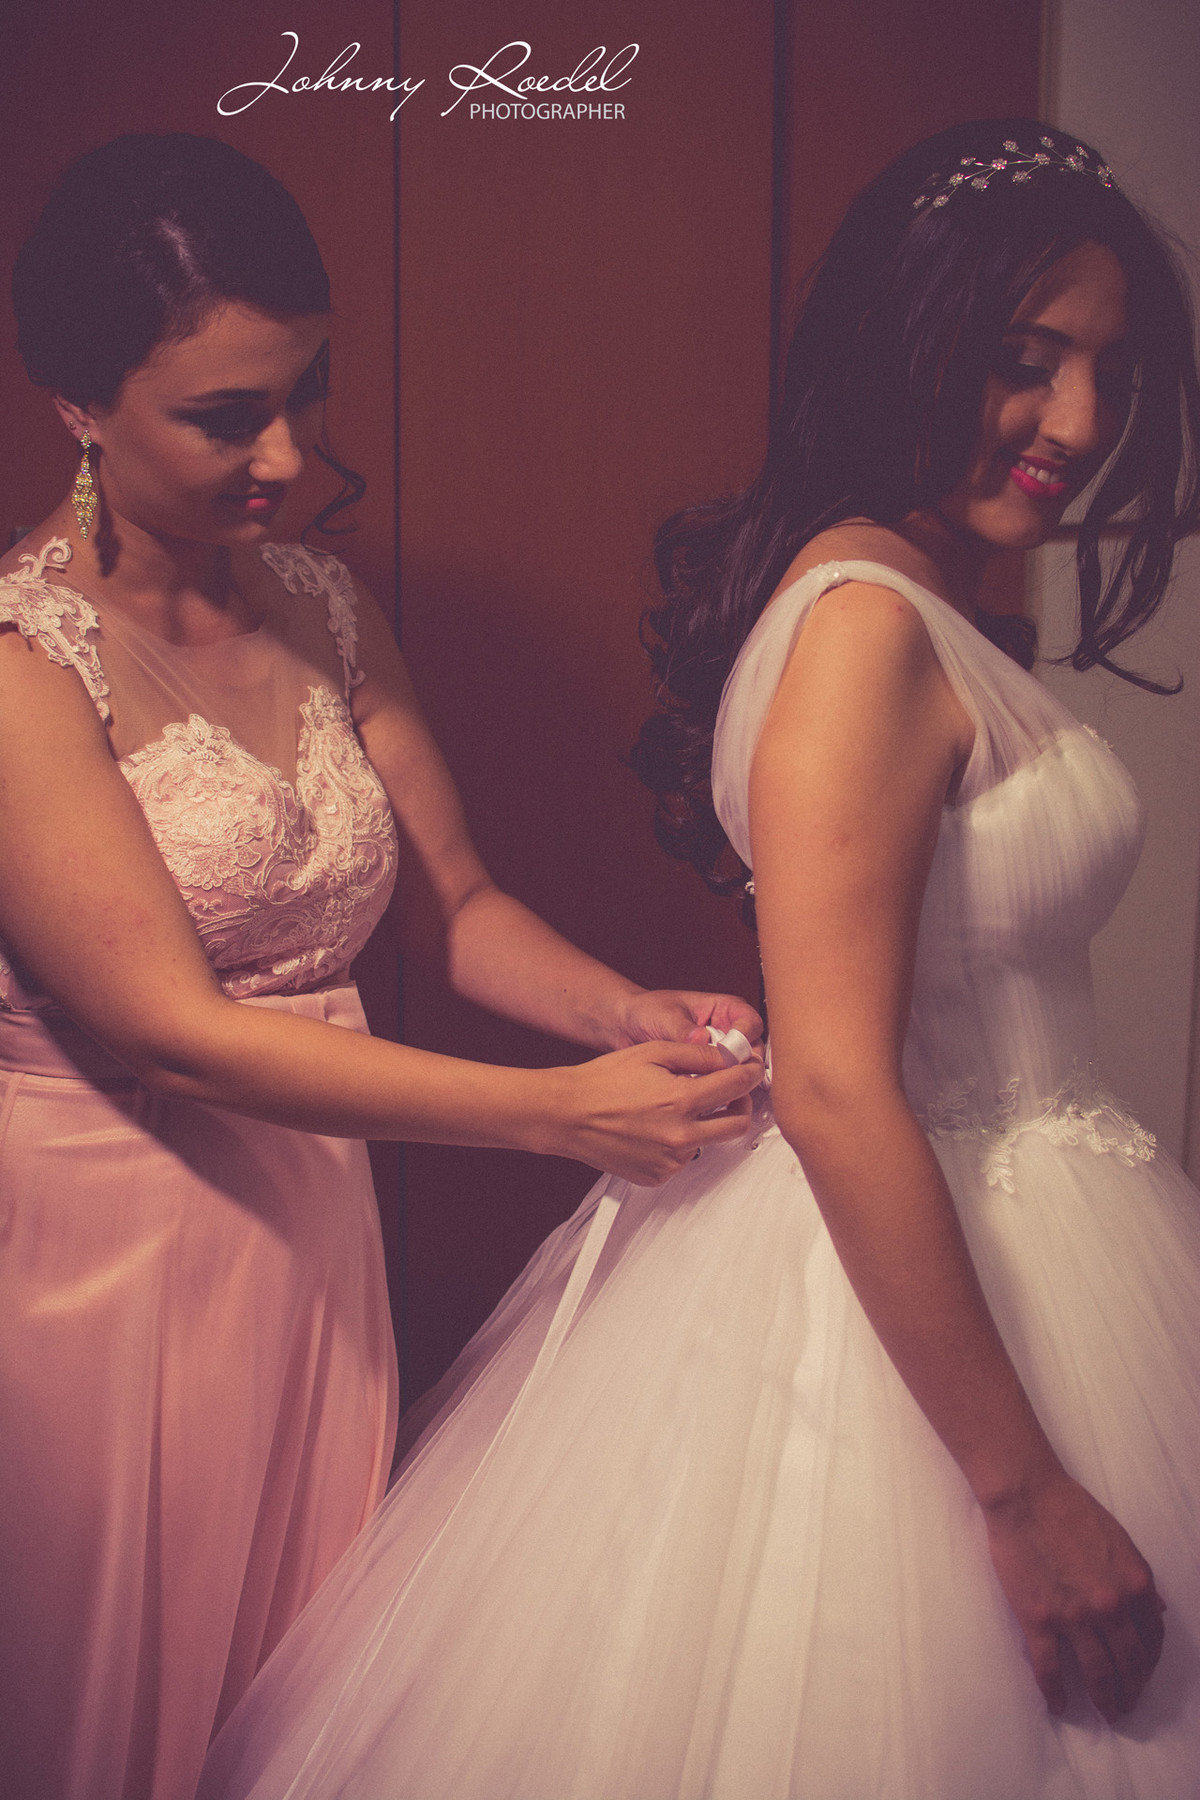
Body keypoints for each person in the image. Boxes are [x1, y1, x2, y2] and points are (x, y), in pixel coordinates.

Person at [195, 118, 1200, 1799]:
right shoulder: (867, 627)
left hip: (1027, 1224)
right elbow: (838, 1084)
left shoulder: (917, 602)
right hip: (914, 1245)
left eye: (1112, 370)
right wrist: (1022, 1493)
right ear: (909, 335)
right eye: (1027, 361)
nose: (1081, 425)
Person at [0, 133, 763, 1800]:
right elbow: (174, 1035)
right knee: (108, 1708)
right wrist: (558, 1115)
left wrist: (622, 1013)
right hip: (99, 1264)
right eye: (227, 417)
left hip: (312, 1237)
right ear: (77, 404)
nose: (287, 455)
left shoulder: (327, 608)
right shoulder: (18, 662)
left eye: (307, 395)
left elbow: (461, 908)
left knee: (301, 1700)